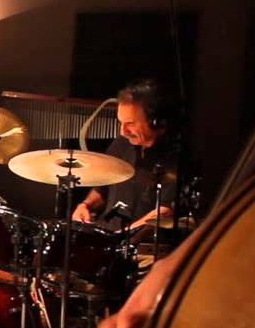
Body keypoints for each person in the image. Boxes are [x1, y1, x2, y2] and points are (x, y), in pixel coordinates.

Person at [72, 79, 180, 232]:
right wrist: (85, 205)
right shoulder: (122, 143)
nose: (123, 132)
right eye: (120, 123)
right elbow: (102, 189)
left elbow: (164, 212)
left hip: (141, 243)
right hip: (108, 234)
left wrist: (122, 235)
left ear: (155, 122)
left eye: (130, 123)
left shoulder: (175, 157)